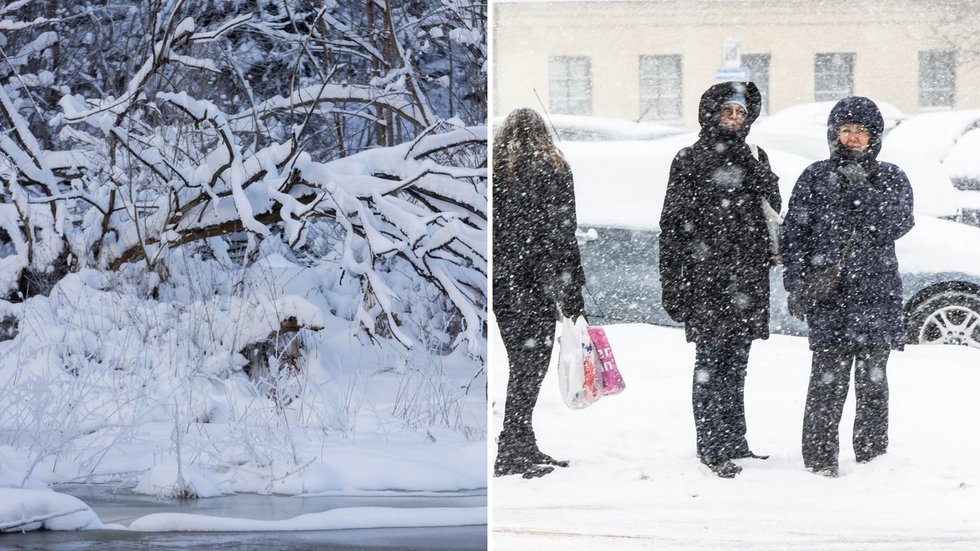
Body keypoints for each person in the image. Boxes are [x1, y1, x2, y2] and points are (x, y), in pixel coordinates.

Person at [782, 96, 914, 478]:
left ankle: (873, 458)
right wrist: (796, 282)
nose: (854, 138)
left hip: (877, 296)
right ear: (833, 133)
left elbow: (898, 225)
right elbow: (794, 235)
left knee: (873, 383)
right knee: (827, 384)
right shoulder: (815, 175)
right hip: (830, 297)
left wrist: (864, 191)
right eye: (846, 130)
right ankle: (820, 459)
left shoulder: (890, 177)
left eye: (861, 131)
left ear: (874, 136)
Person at [658, 82, 781, 478]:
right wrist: (674, 283)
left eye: (740, 113)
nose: (733, 119)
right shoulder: (689, 158)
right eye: (727, 111)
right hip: (705, 279)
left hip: (746, 278)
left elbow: (774, 207)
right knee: (710, 362)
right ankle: (710, 446)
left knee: (737, 362)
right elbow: (672, 225)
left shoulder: (755, 156)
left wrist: (751, 163)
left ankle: (734, 439)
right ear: (711, 112)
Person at [492, 108, 587, 479]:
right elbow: (564, 233)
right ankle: (512, 448)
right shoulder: (555, 169)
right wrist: (570, 289)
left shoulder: (496, 172)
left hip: (504, 283)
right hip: (538, 283)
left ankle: (519, 442)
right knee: (529, 368)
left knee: (521, 364)